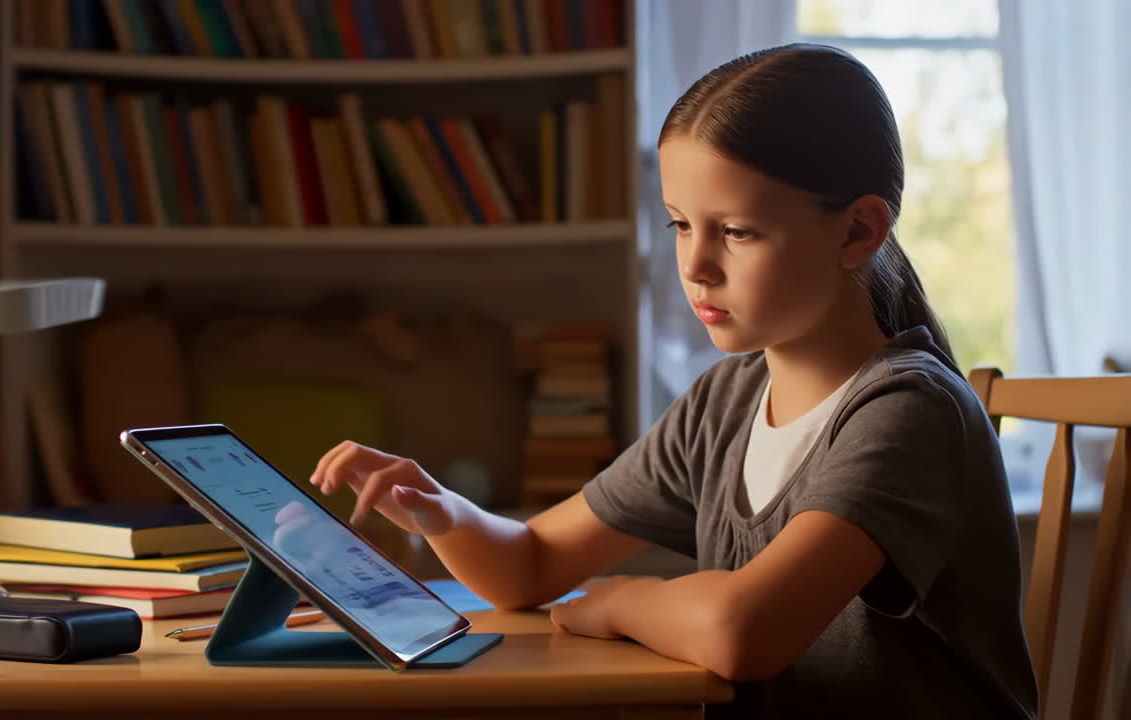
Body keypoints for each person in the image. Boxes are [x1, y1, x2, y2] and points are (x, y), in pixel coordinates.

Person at [308, 43, 1038, 718]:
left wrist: (617, 600)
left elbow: (742, 630)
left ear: (857, 232)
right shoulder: (725, 402)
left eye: (737, 231)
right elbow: (529, 565)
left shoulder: (907, 410)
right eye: (680, 225)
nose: (694, 266)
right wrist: (439, 510)